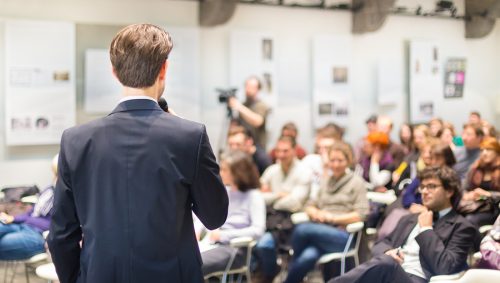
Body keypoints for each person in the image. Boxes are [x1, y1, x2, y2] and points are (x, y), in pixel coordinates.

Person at [48, 24, 229, 283]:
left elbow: (61, 236)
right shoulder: (190, 136)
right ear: (164, 68)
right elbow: (214, 216)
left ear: (114, 72)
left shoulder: (76, 140)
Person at [331, 166, 477, 283]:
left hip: (419, 279)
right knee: (386, 262)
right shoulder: (409, 219)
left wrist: (426, 229)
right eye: (422, 187)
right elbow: (381, 244)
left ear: (449, 191)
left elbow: (446, 266)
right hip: (389, 271)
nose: (424, 192)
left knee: (386, 264)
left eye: (431, 186)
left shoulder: (462, 227)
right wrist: (388, 252)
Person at [283, 143, 369, 283]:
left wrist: (333, 218)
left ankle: (290, 260)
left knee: (302, 229)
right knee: (307, 257)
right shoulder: (325, 181)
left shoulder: (356, 182)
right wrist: (316, 212)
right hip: (320, 232)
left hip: (344, 235)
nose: (335, 165)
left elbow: (361, 214)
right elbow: (310, 205)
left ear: (348, 161)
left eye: (340, 160)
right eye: (332, 160)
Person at [198, 151, 265, 277]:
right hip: (212, 243)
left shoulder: (254, 196)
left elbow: (258, 230)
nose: (220, 173)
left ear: (238, 173)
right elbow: (204, 214)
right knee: (181, 260)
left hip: (235, 249)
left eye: (224, 170)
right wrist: (197, 228)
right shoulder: (225, 191)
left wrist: (224, 235)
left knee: (196, 265)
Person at [254, 136, 311, 282]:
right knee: (254, 243)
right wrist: (279, 195)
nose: (281, 155)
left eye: (285, 151)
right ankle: (270, 272)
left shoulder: (304, 171)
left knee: (263, 244)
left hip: (293, 221)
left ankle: (269, 275)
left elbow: (294, 203)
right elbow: (256, 196)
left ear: (294, 150)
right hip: (271, 219)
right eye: (278, 151)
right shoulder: (272, 170)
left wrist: (270, 197)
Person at [0, 154, 57, 260]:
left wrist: (24, 219)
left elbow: (51, 225)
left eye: (56, 174)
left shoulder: (67, 197)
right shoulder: (49, 190)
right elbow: (31, 213)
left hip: (39, 235)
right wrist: (13, 218)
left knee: (2, 245)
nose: (53, 177)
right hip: (23, 226)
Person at [457, 137, 500, 228]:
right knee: (455, 218)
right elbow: (464, 188)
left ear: (497, 152)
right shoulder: (475, 168)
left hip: (494, 208)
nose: (484, 153)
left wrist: (488, 194)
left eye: (488, 149)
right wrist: (467, 195)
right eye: (482, 150)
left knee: (470, 220)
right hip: (474, 205)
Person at [229, 76, 270, 149]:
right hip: (243, 147)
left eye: (251, 87)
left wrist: (239, 107)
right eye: (246, 86)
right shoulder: (244, 105)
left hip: (258, 147)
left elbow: (258, 121)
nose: (248, 89)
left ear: (258, 89)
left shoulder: (261, 105)